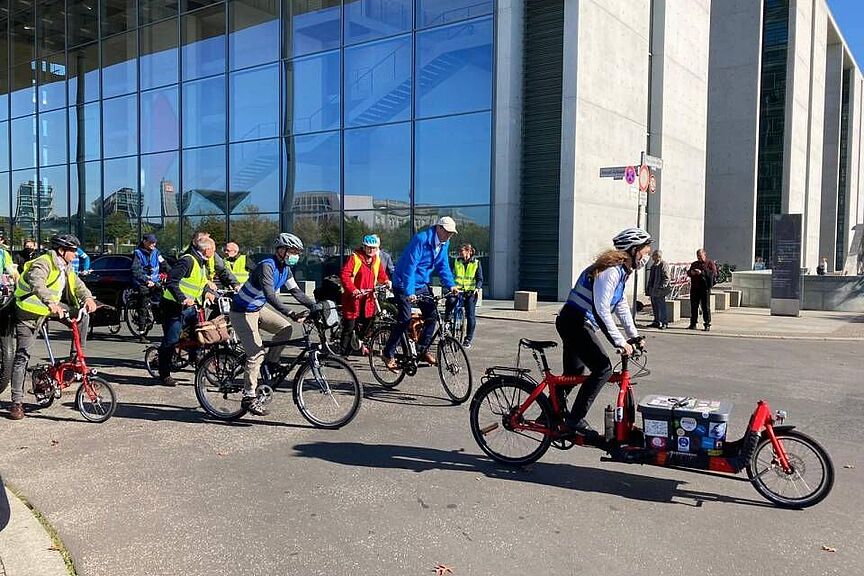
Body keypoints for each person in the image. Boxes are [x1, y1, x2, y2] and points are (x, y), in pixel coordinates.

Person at [555, 227, 650, 436]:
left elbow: (621, 306)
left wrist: (634, 336)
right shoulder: (609, 271)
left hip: (577, 323)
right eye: (645, 250)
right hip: (575, 322)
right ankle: (575, 419)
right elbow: (601, 310)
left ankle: (550, 414)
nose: (647, 255)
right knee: (603, 368)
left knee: (573, 373)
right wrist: (619, 342)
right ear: (633, 250)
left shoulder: (621, 272)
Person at [7, 234, 98, 420]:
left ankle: (74, 365)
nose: (75, 254)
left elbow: (78, 284)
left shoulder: (66, 266)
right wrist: (50, 302)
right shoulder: (43, 262)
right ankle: (16, 403)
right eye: (72, 250)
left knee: (82, 317)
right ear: (61, 251)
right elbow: (37, 283)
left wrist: (87, 298)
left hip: (49, 308)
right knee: (23, 356)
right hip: (29, 312)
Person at [230, 233, 316, 416]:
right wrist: (291, 312)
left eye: (297, 252)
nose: (296, 255)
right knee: (256, 352)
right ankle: (249, 396)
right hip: (242, 311)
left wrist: (315, 306)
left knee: (285, 329)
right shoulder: (266, 266)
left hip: (257, 308)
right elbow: (270, 295)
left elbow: (297, 293)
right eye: (293, 251)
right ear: (281, 250)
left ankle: (271, 363)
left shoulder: (286, 269)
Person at [383, 217, 458, 369]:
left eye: (452, 233)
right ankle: (387, 352)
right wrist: (409, 292)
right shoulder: (421, 239)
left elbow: (443, 265)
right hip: (403, 282)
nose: (449, 236)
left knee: (432, 316)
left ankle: (421, 350)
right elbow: (410, 267)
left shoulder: (444, 243)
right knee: (404, 318)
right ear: (439, 228)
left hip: (422, 283)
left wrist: (451, 285)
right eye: (448, 232)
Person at [157, 235, 217, 387]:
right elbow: (171, 281)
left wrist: (208, 292)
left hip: (191, 307)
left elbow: (200, 284)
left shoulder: (202, 263)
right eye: (214, 249)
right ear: (207, 249)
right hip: (174, 306)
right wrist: (182, 298)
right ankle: (164, 373)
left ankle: (196, 363)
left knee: (198, 336)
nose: (215, 253)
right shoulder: (187, 260)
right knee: (171, 339)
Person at [339, 234, 390, 355]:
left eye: (374, 248)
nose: (371, 250)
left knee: (370, 321)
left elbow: (381, 275)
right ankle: (342, 355)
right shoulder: (355, 258)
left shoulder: (376, 260)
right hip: (353, 299)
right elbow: (344, 275)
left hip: (368, 298)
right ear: (363, 247)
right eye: (368, 247)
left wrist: (387, 281)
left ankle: (359, 341)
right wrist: (353, 289)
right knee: (349, 327)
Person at [131, 233, 170, 342]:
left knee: (162, 304)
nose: (153, 244)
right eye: (151, 242)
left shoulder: (156, 252)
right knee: (143, 305)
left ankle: (165, 330)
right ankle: (142, 333)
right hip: (142, 283)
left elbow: (164, 265)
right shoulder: (138, 253)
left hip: (155, 282)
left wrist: (172, 274)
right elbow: (135, 270)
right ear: (144, 242)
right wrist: (146, 280)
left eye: (154, 242)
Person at [444, 243, 483, 348]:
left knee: (470, 315)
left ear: (469, 252)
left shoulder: (476, 263)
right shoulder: (456, 262)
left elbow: (480, 279)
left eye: (462, 251)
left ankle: (468, 339)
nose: (460, 253)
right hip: (457, 290)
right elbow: (450, 275)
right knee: (450, 301)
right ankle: (447, 321)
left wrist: (477, 289)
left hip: (470, 292)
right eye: (460, 251)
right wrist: (450, 286)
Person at [687, 248, 717, 331]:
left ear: (704, 254)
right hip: (695, 287)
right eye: (698, 256)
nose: (699, 258)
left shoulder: (709, 263)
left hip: (705, 288)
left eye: (700, 256)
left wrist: (702, 273)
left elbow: (714, 274)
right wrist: (691, 273)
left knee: (705, 307)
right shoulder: (694, 264)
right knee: (694, 306)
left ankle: (707, 324)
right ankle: (693, 324)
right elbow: (688, 272)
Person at [646, 250, 671, 329]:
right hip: (653, 290)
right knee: (654, 306)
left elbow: (666, 277)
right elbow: (651, 278)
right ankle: (656, 321)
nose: (652, 257)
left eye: (653, 255)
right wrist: (649, 288)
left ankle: (664, 322)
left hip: (660, 290)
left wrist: (662, 287)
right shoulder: (654, 265)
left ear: (658, 256)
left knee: (661, 306)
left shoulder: (663, 264)